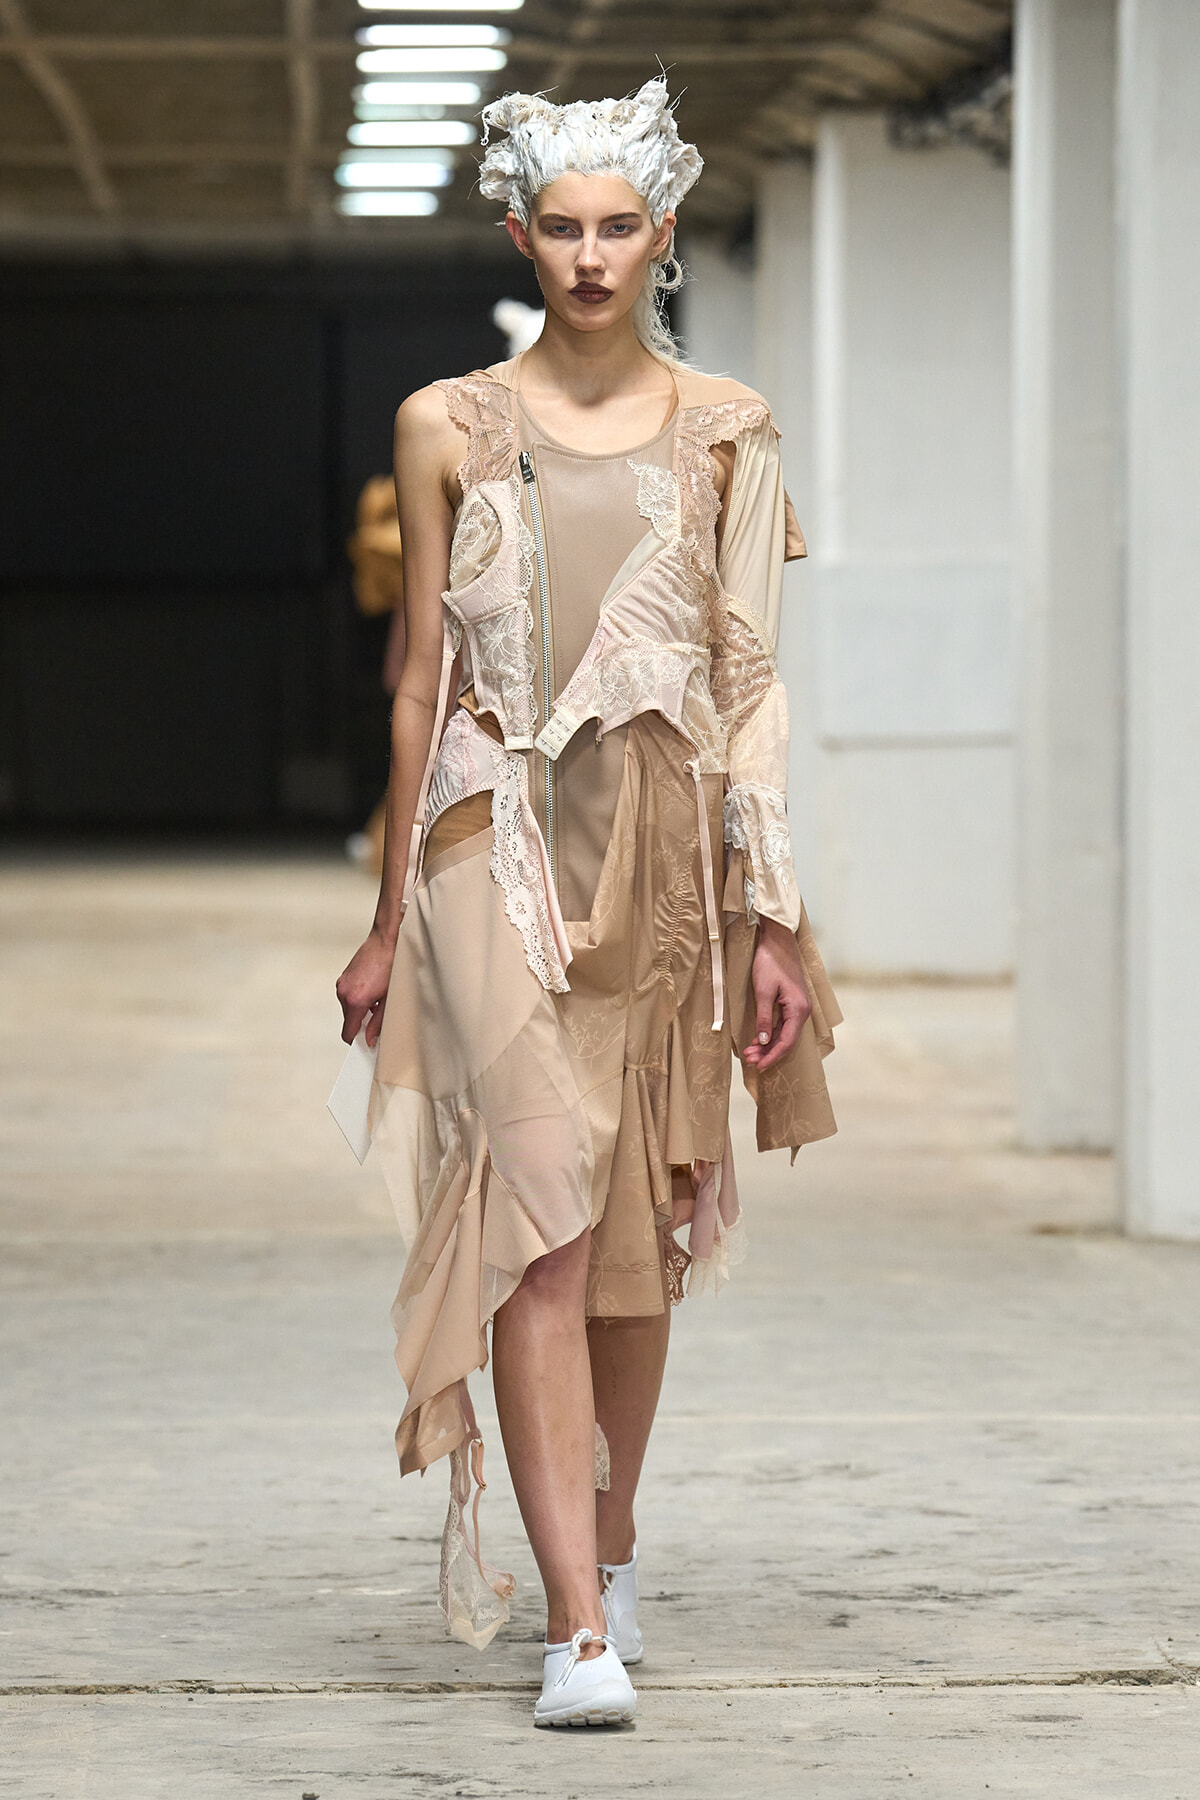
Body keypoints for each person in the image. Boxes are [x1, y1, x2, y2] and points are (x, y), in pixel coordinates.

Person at [335, 77, 840, 1729]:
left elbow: (750, 684)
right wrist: (383, 899)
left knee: (633, 1243)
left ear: (665, 234)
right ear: (519, 237)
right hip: (492, 841)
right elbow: (418, 680)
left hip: (672, 857)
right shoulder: (446, 421)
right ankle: (577, 1629)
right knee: (541, 1220)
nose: (591, 254)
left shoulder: (731, 429)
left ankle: (608, 1544)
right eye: (561, 226)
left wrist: (777, 918)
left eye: (620, 226)